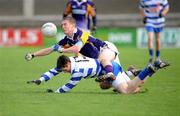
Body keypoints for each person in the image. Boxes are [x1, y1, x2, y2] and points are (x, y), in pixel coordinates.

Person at [25, 17, 118, 80]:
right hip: (97, 60)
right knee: (109, 84)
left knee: (105, 67)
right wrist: (33, 55)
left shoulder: (82, 34)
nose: (63, 26)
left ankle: (112, 73)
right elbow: (50, 49)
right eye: (62, 25)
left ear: (73, 26)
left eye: (65, 24)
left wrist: (62, 50)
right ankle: (130, 73)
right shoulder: (67, 39)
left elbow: (77, 49)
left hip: (106, 49)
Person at [27, 55, 169, 94]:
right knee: (104, 86)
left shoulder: (78, 70)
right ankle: (133, 72)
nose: (63, 71)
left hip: (110, 70)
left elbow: (69, 85)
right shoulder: (70, 60)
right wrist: (40, 80)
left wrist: (56, 92)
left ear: (68, 65)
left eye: (64, 69)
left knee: (127, 91)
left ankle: (148, 69)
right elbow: (54, 70)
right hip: (109, 67)